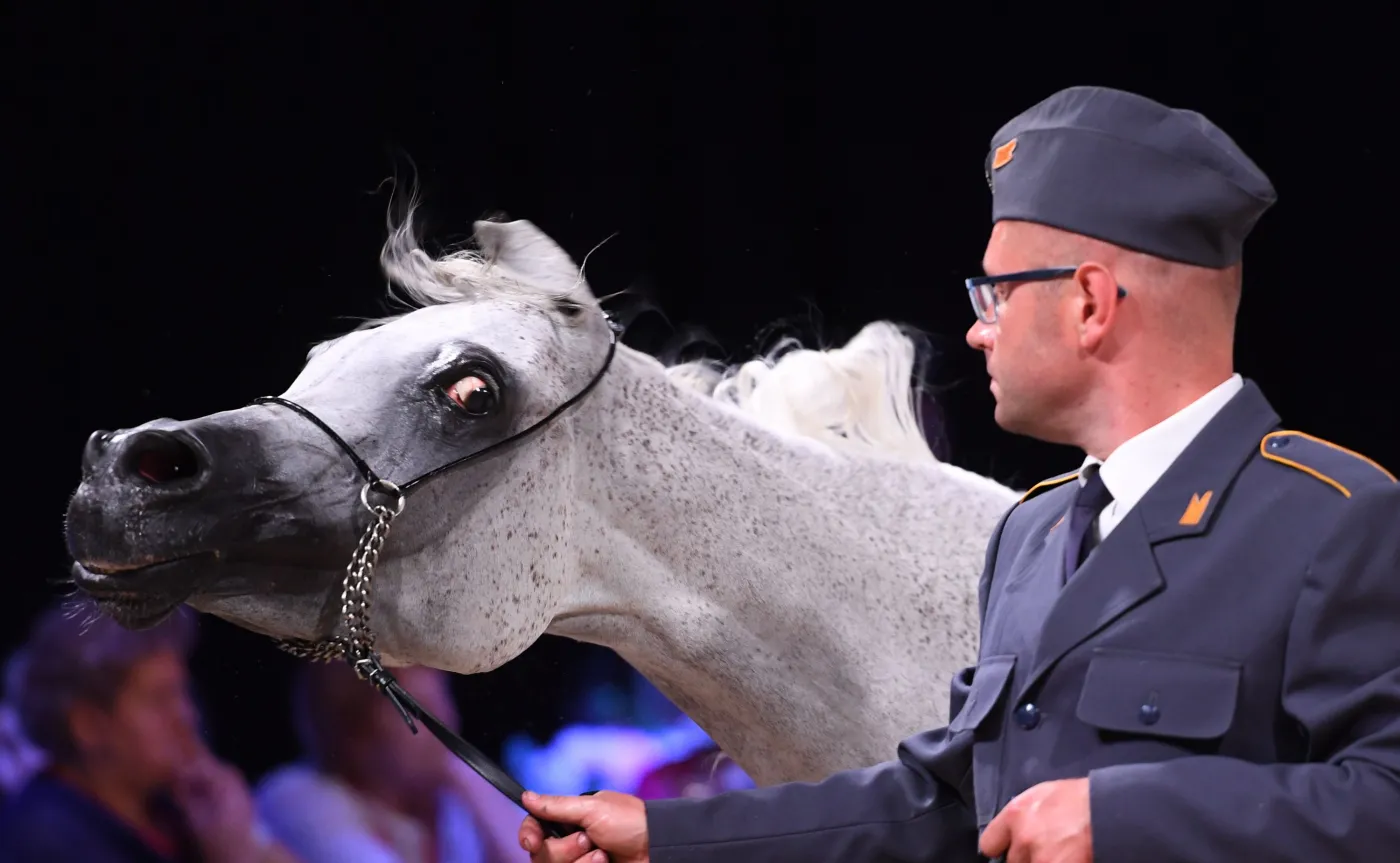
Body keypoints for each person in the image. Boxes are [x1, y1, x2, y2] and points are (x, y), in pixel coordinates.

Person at [510, 85, 1400, 863]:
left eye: (997, 293)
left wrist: (1130, 820)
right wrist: (666, 838)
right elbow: (945, 803)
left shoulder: (1337, 521)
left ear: (1090, 302)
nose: (979, 329)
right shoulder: (1032, 533)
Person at [0, 599, 300, 863]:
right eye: (160, 699)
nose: (186, 715)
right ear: (88, 725)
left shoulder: (176, 810)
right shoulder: (48, 836)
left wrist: (245, 834)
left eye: (183, 693)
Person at [254, 662, 526, 862]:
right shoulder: (297, 797)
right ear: (357, 732)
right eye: (423, 711)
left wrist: (466, 775)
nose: (448, 723)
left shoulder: (446, 801)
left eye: (443, 701)